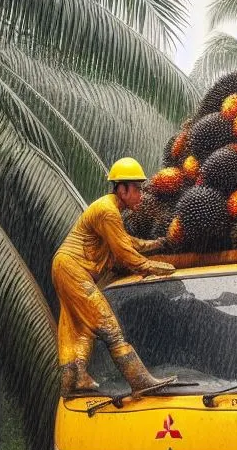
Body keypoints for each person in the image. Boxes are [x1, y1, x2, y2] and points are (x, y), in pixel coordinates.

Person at [53, 157, 177, 398]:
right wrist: (153, 267)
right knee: (108, 326)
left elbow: (126, 241)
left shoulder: (109, 211)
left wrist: (158, 244)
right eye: (137, 189)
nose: (141, 196)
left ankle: (73, 381)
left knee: (81, 329)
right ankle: (139, 379)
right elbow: (124, 252)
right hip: (72, 268)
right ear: (122, 189)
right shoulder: (107, 211)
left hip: (65, 267)